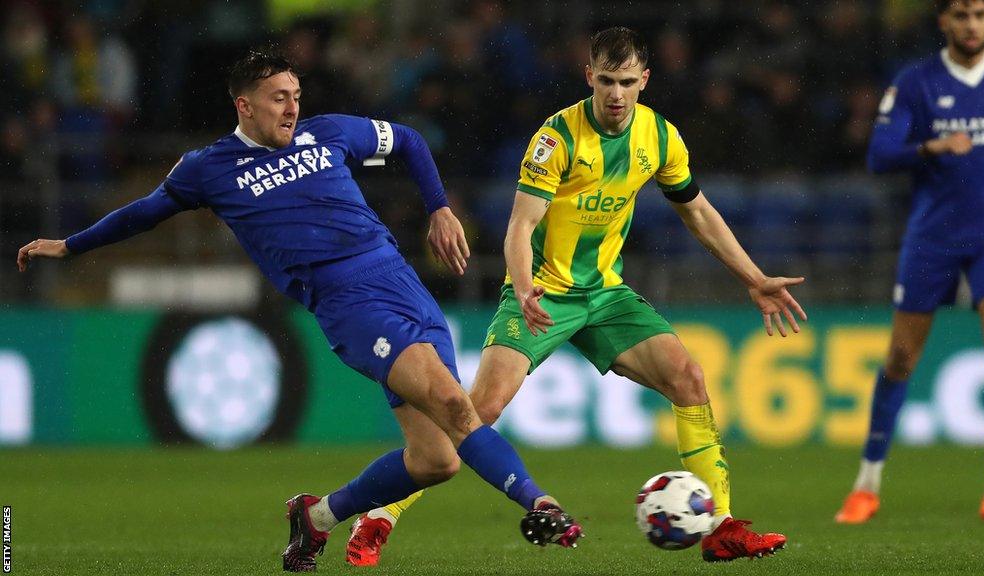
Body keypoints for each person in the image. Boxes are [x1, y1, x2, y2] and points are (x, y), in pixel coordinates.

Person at [15, 47, 584, 571]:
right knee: (454, 405)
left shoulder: (328, 133)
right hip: (349, 303)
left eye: (295, 95)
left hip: (402, 282)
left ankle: (315, 518)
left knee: (436, 460)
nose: (292, 107)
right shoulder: (207, 169)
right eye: (278, 97)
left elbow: (408, 140)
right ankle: (539, 501)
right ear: (245, 105)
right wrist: (71, 245)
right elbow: (143, 212)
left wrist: (438, 207)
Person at [348, 27, 806, 566]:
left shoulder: (660, 137)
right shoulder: (557, 138)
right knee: (477, 413)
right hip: (543, 295)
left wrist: (753, 278)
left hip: (606, 295)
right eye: (607, 81)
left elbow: (698, 211)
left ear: (645, 81)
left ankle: (721, 527)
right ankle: (380, 516)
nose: (616, 94)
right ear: (589, 76)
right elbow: (521, 225)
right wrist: (522, 288)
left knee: (689, 378)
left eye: (628, 82)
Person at [834, 0, 984, 524]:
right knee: (900, 358)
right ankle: (866, 483)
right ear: (944, 21)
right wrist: (932, 146)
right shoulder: (916, 82)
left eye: (980, 14)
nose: (970, 24)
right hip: (933, 239)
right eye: (960, 14)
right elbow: (879, 154)